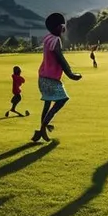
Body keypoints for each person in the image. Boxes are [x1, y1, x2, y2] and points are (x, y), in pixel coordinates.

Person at [32, 12, 82, 142]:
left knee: (47, 103)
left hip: (42, 76)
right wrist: (71, 74)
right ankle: (43, 128)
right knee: (62, 100)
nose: (63, 28)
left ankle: (41, 130)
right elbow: (60, 58)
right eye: (62, 26)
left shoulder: (47, 38)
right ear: (57, 27)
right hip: (51, 79)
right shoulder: (55, 40)